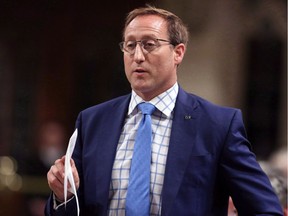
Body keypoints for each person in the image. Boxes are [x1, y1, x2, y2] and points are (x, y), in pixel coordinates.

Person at [45, 5, 283, 216]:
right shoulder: (93, 121)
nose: (138, 56)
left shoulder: (217, 125)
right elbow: (69, 209)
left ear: (178, 52)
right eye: (130, 45)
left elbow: (266, 209)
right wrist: (62, 196)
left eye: (149, 44)